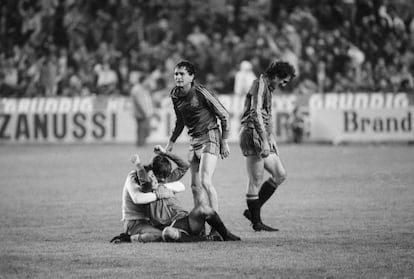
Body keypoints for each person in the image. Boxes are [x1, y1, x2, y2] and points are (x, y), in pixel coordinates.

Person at [111, 146, 240, 243]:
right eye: (155, 178)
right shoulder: (147, 188)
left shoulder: (165, 182)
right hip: (172, 226)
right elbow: (143, 185)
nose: (160, 180)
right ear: (150, 175)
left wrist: (165, 153)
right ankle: (203, 239)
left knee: (203, 208)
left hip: (186, 219)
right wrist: (138, 164)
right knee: (167, 233)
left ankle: (226, 234)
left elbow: (184, 166)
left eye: (162, 178)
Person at [165, 61, 230, 236]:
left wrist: (224, 141)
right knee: (195, 187)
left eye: (182, 74)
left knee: (206, 182)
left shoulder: (201, 92)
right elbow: (180, 121)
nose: (178, 77)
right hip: (194, 141)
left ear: (191, 77)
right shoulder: (175, 94)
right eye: (176, 74)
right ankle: (199, 227)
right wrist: (171, 142)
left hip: (210, 136)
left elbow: (224, 115)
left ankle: (216, 229)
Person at [239, 61, 296, 231]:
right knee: (255, 180)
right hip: (253, 134)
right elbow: (256, 113)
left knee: (280, 174)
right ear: (275, 76)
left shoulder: (267, 87)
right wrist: (264, 139)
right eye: (283, 81)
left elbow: (266, 115)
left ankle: (253, 212)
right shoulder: (259, 85)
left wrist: (271, 139)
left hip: (262, 135)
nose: (284, 85)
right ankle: (257, 222)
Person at [130, 74, 154, 146]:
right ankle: (141, 143)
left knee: (143, 129)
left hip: (145, 112)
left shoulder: (143, 89)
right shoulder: (137, 89)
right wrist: (143, 112)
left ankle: (141, 143)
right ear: (143, 81)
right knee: (142, 128)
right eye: (146, 80)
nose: (148, 82)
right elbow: (138, 102)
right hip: (141, 112)